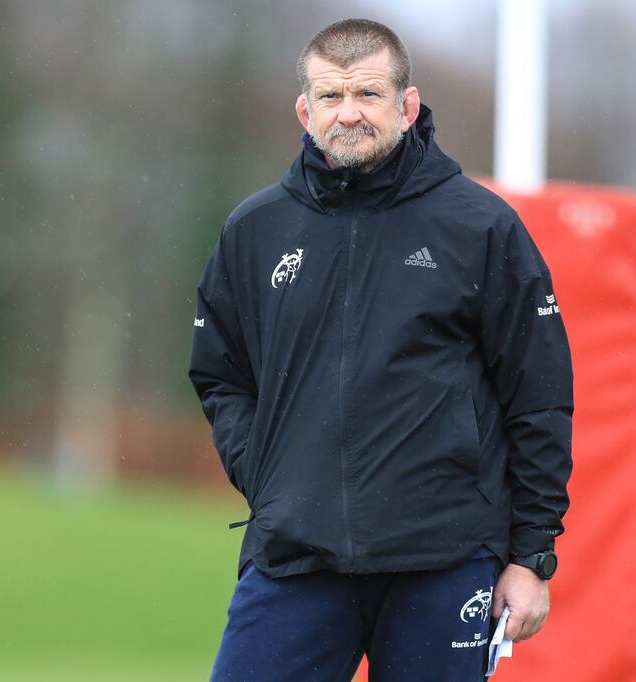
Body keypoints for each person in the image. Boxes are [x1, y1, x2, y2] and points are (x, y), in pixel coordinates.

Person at [188, 18, 573, 681]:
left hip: (445, 561)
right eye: (331, 97)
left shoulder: (481, 227)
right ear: (305, 111)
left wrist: (531, 557)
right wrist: (273, 480)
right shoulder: (255, 230)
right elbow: (221, 376)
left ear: (407, 105)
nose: (349, 114)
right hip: (296, 558)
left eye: (368, 94)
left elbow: (538, 398)